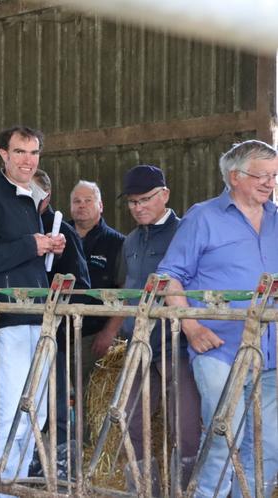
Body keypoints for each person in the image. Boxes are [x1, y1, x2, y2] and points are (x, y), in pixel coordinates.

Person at [157, 140, 278, 498]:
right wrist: (191, 327)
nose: (270, 183)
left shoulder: (277, 219)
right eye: (262, 175)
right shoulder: (203, 217)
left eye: (274, 175)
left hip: (270, 352)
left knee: (269, 443)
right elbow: (169, 276)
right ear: (235, 176)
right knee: (226, 435)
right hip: (219, 348)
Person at [0, 126, 65, 496]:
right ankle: (0, 491)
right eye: (20, 152)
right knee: (10, 411)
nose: (28, 160)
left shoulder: (28, 201)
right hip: (7, 319)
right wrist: (29, 245)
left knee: (35, 410)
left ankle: (15, 487)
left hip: (36, 315)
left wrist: (48, 246)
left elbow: (25, 256)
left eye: (34, 153)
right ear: (2, 154)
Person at [95, 165, 201, 487]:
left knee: (185, 424)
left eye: (145, 199)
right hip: (139, 345)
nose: (137, 207)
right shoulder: (130, 242)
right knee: (130, 417)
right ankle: (143, 488)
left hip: (176, 345)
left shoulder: (186, 233)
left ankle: (186, 489)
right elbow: (129, 290)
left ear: (165, 195)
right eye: (132, 202)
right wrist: (113, 330)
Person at [33, 169, 90, 449]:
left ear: (46, 195)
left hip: (54, 330)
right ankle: (32, 455)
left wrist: (57, 310)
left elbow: (80, 282)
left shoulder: (61, 231)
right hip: (21, 326)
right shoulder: (16, 227)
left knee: (55, 396)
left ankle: (63, 455)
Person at [69, 181, 125, 386]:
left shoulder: (117, 243)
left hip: (94, 336)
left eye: (88, 201)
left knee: (89, 394)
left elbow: (124, 291)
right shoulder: (58, 238)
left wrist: (109, 332)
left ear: (100, 206)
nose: (81, 205)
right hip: (58, 333)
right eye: (77, 201)